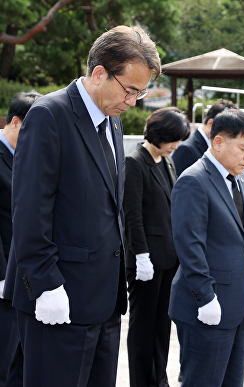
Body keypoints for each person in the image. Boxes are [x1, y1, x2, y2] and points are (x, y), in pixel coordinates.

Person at [2, 25, 161, 387]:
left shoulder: (114, 121)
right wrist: (45, 285)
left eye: (141, 93)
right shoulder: (49, 115)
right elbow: (29, 210)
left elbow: (110, 205)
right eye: (130, 90)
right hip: (59, 297)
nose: (133, 101)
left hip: (103, 301)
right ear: (99, 72)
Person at [169, 109, 244, 387]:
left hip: (241, 305)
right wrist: (205, 296)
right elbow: (190, 247)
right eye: (243, 148)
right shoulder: (194, 180)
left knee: (232, 382)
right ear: (219, 142)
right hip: (206, 306)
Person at [123, 107, 190, 387]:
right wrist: (141, 255)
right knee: (143, 328)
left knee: (162, 327)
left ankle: (158, 380)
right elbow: (133, 214)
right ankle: (142, 381)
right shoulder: (135, 161)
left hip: (168, 258)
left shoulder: (167, 160)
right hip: (146, 260)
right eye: (173, 139)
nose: (177, 145)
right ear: (159, 135)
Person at [0, 90, 43, 387]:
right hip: (3, 276)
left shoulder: (30, 159)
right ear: (15, 122)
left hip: (26, 276)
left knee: (22, 360)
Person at [172, 99, 237, 176]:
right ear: (211, 124)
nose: (231, 136)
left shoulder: (213, 146)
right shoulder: (186, 149)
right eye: (228, 131)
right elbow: (177, 184)